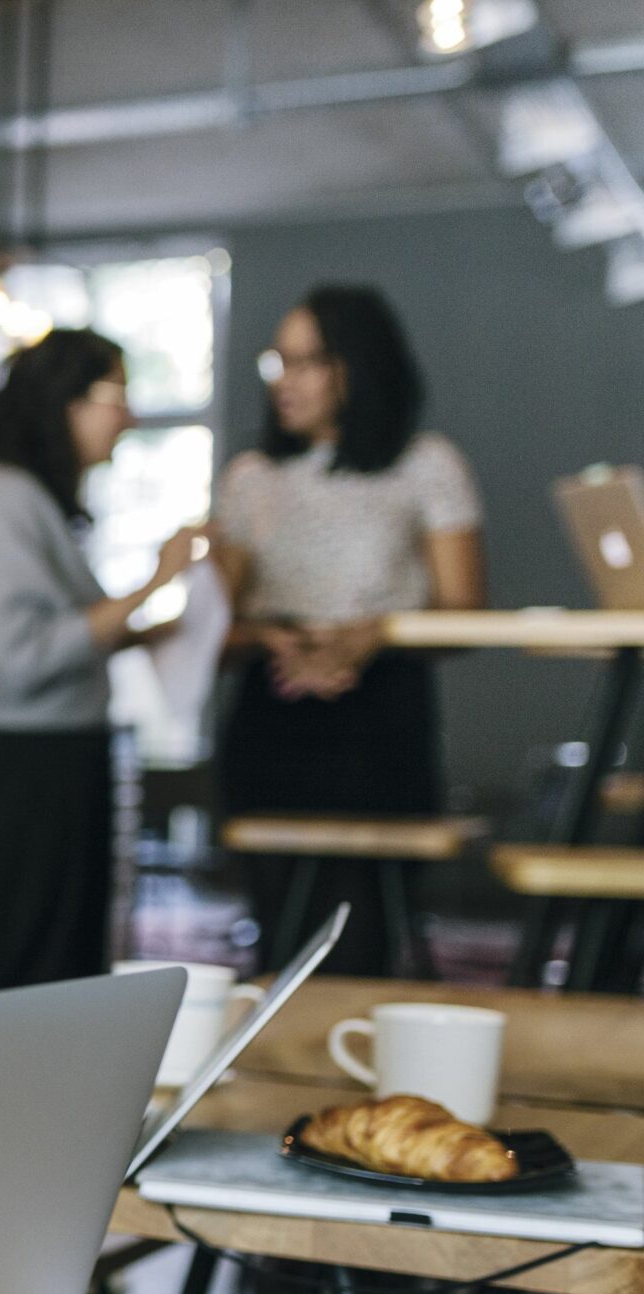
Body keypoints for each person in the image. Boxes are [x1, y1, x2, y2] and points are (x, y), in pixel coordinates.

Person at [210, 284, 485, 976]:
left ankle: (358, 1069)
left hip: (380, 713)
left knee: (359, 928)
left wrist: (374, 636)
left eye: (310, 362)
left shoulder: (426, 464)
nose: (288, 381)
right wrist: (273, 638)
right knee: (277, 925)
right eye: (280, 361)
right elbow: (215, 623)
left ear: (358, 367)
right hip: (274, 706)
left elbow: (465, 612)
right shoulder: (251, 477)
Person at [0, 329, 195, 993]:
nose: (129, 417)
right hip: (19, 774)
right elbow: (22, 657)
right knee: (26, 975)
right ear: (64, 403)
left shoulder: (30, 499)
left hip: (48, 763)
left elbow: (55, 637)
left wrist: (153, 633)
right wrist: (152, 584)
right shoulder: (0, 498)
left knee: (65, 973)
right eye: (117, 397)